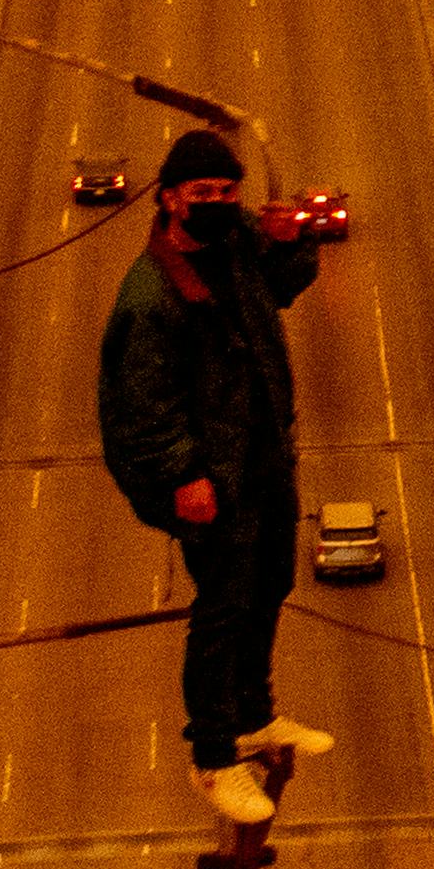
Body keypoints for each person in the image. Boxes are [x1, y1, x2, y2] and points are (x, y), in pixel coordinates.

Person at [95, 129, 332, 826]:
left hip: (261, 452)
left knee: (272, 583)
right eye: (204, 194)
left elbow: (287, 284)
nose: (221, 203)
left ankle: (256, 716)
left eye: (229, 192)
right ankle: (212, 753)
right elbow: (143, 407)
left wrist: (292, 238)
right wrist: (183, 477)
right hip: (210, 474)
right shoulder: (151, 294)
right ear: (170, 199)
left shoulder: (235, 245)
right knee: (224, 606)